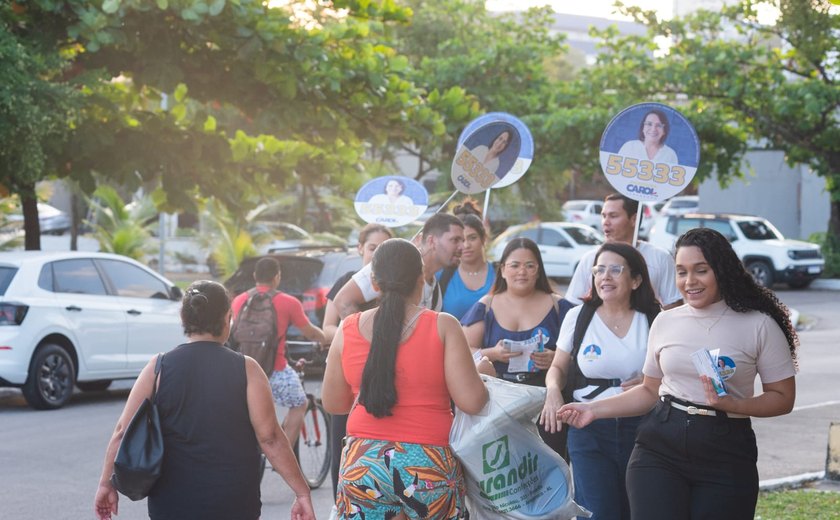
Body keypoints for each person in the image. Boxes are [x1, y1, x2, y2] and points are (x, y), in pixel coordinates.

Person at [558, 228, 798, 520]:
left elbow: (783, 398)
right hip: (660, 443)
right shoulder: (665, 321)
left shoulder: (759, 325)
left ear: (722, 271)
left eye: (701, 270)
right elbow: (648, 391)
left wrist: (735, 405)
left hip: (726, 446)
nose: (689, 281)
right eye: (681, 272)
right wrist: (591, 409)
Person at [94, 281, 315, 520]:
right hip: (233, 501)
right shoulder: (247, 369)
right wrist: (301, 492)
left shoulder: (157, 368)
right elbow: (270, 438)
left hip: (172, 503)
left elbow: (121, 431)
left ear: (184, 319)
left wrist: (106, 484)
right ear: (227, 318)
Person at [322, 238, 489, 518]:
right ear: (420, 279)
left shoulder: (347, 328)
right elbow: (472, 402)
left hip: (363, 461)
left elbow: (334, 403)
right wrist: (483, 373)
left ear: (375, 283)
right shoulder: (443, 325)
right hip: (427, 463)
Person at [540, 243, 660, 519]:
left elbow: (672, 372)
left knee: (638, 510)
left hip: (643, 428)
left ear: (636, 280)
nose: (605, 276)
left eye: (615, 270)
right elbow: (557, 366)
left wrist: (653, 376)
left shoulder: (655, 319)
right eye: (599, 270)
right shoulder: (578, 317)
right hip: (588, 429)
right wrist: (553, 390)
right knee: (597, 511)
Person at [461, 237, 573, 456]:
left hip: (547, 402)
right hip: (498, 401)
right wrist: (492, 354)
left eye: (530, 265)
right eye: (515, 265)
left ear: (539, 270)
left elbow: (581, 354)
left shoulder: (559, 306)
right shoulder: (486, 305)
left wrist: (557, 359)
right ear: (502, 270)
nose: (522, 271)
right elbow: (463, 351)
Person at [320, 223, 392, 497]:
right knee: (343, 443)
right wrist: (354, 335)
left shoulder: (393, 286)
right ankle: (342, 502)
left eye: (383, 249)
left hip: (383, 377)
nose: (376, 254)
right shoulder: (347, 285)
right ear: (360, 248)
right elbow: (327, 328)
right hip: (347, 372)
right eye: (372, 248)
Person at [231, 257, 326, 449]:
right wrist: (324, 339)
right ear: (277, 277)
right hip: (276, 372)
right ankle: (282, 455)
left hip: (244, 372)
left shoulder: (239, 301)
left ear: (255, 276)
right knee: (300, 404)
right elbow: (309, 332)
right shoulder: (288, 302)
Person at [332, 213, 465, 318]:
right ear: (431, 241)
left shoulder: (435, 292)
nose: (463, 247)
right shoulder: (394, 261)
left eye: (463, 241)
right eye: (455, 240)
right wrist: (369, 344)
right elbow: (343, 301)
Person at [565, 193, 682, 309]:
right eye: (604, 216)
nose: (606, 222)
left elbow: (673, 308)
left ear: (634, 219)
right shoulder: (589, 259)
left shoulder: (660, 258)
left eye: (613, 216)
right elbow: (573, 305)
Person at [437, 213, 494, 320]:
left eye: (472, 238)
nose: (466, 245)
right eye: (460, 240)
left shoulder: (501, 274)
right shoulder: (441, 276)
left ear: (483, 239)